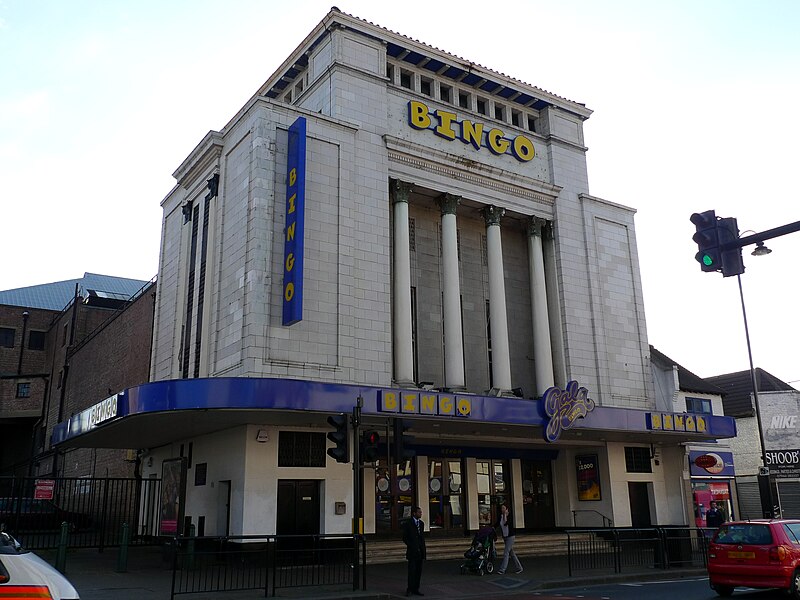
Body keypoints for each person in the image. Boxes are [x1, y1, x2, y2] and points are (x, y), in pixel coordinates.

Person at [402, 506, 426, 596]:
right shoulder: (408, 524)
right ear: (414, 513)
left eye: (421, 512)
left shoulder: (421, 524)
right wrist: (411, 545)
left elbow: (421, 537)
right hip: (412, 552)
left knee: (418, 571)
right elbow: (404, 537)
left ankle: (416, 588)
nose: (421, 514)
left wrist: (422, 549)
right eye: (419, 512)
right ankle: (410, 589)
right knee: (412, 571)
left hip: (420, 551)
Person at [495, 503, 523, 575]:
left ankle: (502, 569)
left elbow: (506, 523)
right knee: (511, 553)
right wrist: (491, 528)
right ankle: (519, 568)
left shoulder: (510, 516)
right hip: (505, 536)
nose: (503, 510)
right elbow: (497, 524)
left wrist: (505, 515)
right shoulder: (500, 516)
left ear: (507, 509)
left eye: (504, 508)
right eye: (502, 508)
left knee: (506, 552)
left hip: (510, 536)